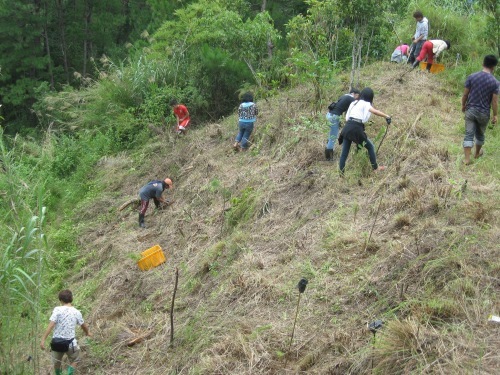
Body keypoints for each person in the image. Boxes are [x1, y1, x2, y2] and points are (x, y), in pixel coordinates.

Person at [338, 87, 391, 175]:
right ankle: (375, 168)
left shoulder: (353, 103)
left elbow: (347, 118)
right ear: (370, 97)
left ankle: (341, 174)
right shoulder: (366, 103)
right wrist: (387, 116)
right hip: (356, 127)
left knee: (344, 153)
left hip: (347, 127)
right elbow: (375, 111)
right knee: (370, 147)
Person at [40, 290, 91, 375]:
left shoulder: (57, 310)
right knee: (76, 359)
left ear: (61, 300)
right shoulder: (76, 312)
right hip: (71, 343)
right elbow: (83, 325)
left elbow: (51, 325)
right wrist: (88, 333)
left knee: (56, 363)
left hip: (57, 343)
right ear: (71, 299)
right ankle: (69, 373)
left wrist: (43, 339)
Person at [461, 54, 499, 165]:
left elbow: (465, 94)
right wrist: (495, 115)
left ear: (483, 64)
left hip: (471, 109)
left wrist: (463, 105)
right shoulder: (495, 82)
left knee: (468, 134)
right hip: (484, 113)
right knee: (480, 135)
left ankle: (467, 159)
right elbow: (494, 101)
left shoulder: (472, 77)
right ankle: (477, 153)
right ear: (493, 67)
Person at [325, 89, 360, 161]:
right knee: (333, 137)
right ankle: (329, 158)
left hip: (329, 115)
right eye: (357, 96)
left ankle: (328, 152)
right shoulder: (352, 99)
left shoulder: (344, 96)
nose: (357, 98)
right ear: (354, 94)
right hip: (334, 117)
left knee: (331, 134)